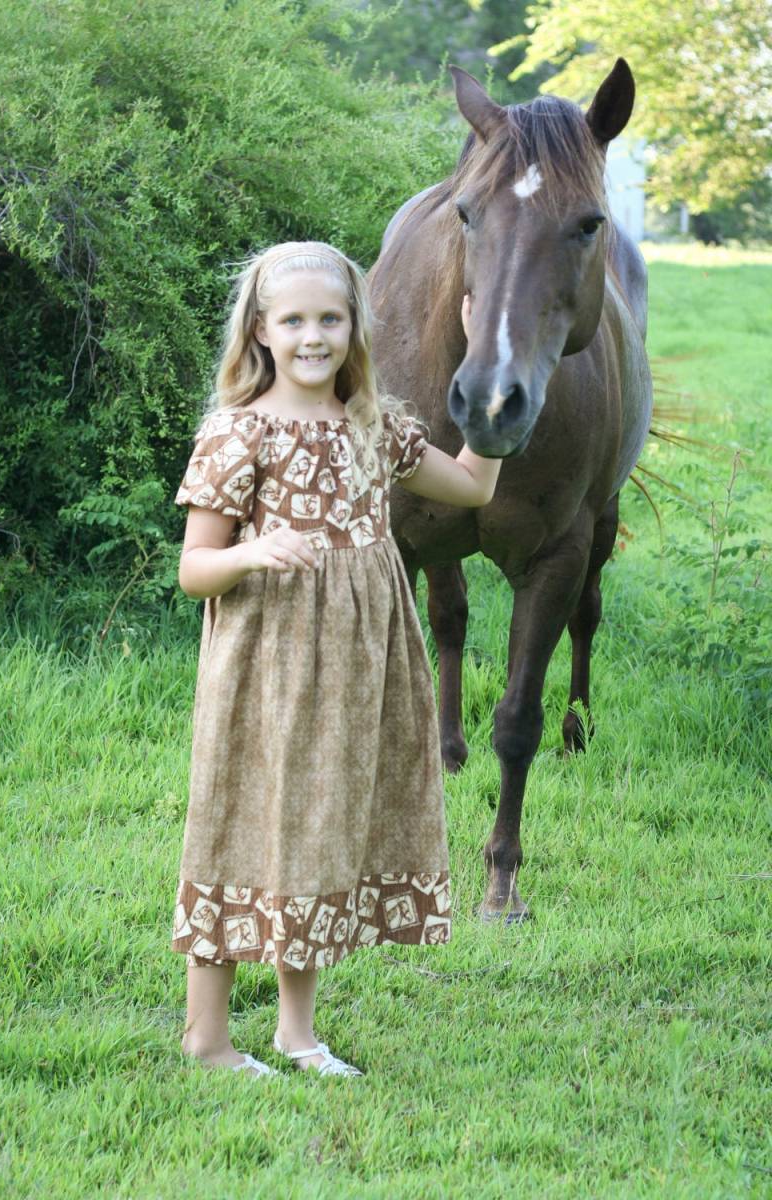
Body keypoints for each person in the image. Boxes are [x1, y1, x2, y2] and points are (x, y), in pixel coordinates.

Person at [172, 241, 500, 1077]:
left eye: (330, 317)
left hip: (359, 667)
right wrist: (254, 553)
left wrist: (486, 366)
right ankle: (207, 1040)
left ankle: (296, 1033)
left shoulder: (373, 425)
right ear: (262, 330)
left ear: (355, 326)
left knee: (318, 830)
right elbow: (193, 569)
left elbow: (473, 487)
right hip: (266, 665)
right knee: (241, 825)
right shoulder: (239, 431)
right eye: (294, 320)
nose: (313, 335)